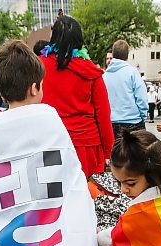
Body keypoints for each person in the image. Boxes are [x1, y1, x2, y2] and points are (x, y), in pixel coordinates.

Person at [38, 15, 113, 179]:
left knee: (56, 199)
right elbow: (103, 114)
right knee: (88, 197)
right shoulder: (91, 70)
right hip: (87, 147)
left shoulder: (38, 67)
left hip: (50, 143)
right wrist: (108, 151)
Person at [103, 39, 148, 139]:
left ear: (113, 54)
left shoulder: (104, 76)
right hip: (133, 122)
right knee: (136, 154)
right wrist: (143, 116)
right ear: (127, 55)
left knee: (115, 154)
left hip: (112, 123)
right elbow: (141, 97)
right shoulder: (132, 72)